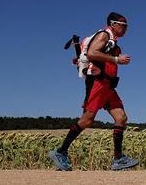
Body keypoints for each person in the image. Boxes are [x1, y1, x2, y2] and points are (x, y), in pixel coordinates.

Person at [49, 12, 139, 171]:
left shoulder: (113, 42)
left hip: (108, 86)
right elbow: (91, 53)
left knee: (121, 117)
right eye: (123, 25)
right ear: (113, 24)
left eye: (127, 26)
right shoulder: (104, 35)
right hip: (98, 82)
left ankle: (118, 159)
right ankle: (60, 152)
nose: (126, 28)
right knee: (87, 120)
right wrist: (117, 59)